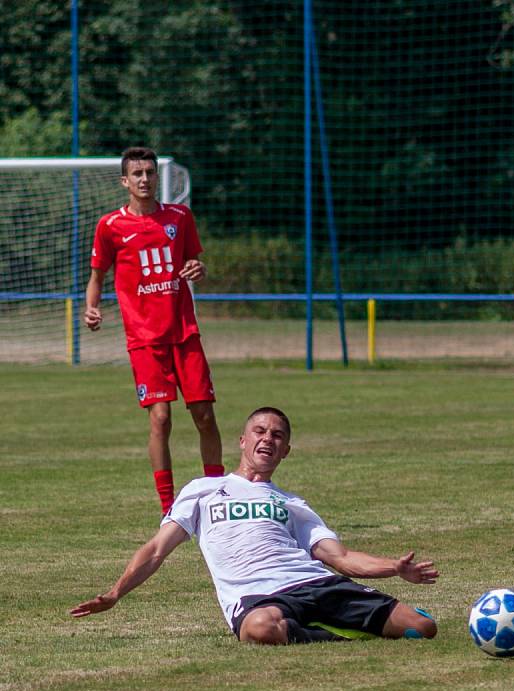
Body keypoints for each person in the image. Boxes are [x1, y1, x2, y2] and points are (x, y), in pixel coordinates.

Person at [70, 407, 439, 645]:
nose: (268, 438)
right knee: (259, 629)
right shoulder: (203, 490)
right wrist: (116, 593)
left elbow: (340, 558)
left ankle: (341, 621)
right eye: (260, 431)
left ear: (285, 451)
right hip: (259, 597)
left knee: (423, 627)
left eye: (277, 435)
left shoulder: (292, 503)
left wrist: (394, 567)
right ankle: (334, 637)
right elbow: (155, 550)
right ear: (243, 441)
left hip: (317, 582)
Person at [85, 146, 223, 514]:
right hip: (145, 339)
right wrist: (92, 308)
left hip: (184, 332)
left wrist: (198, 269)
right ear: (125, 181)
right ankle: (168, 507)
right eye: (137, 174)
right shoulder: (110, 226)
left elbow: (195, 262)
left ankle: (217, 494)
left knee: (204, 416)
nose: (144, 179)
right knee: (161, 418)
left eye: (149, 172)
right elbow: (97, 276)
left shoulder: (180, 216)